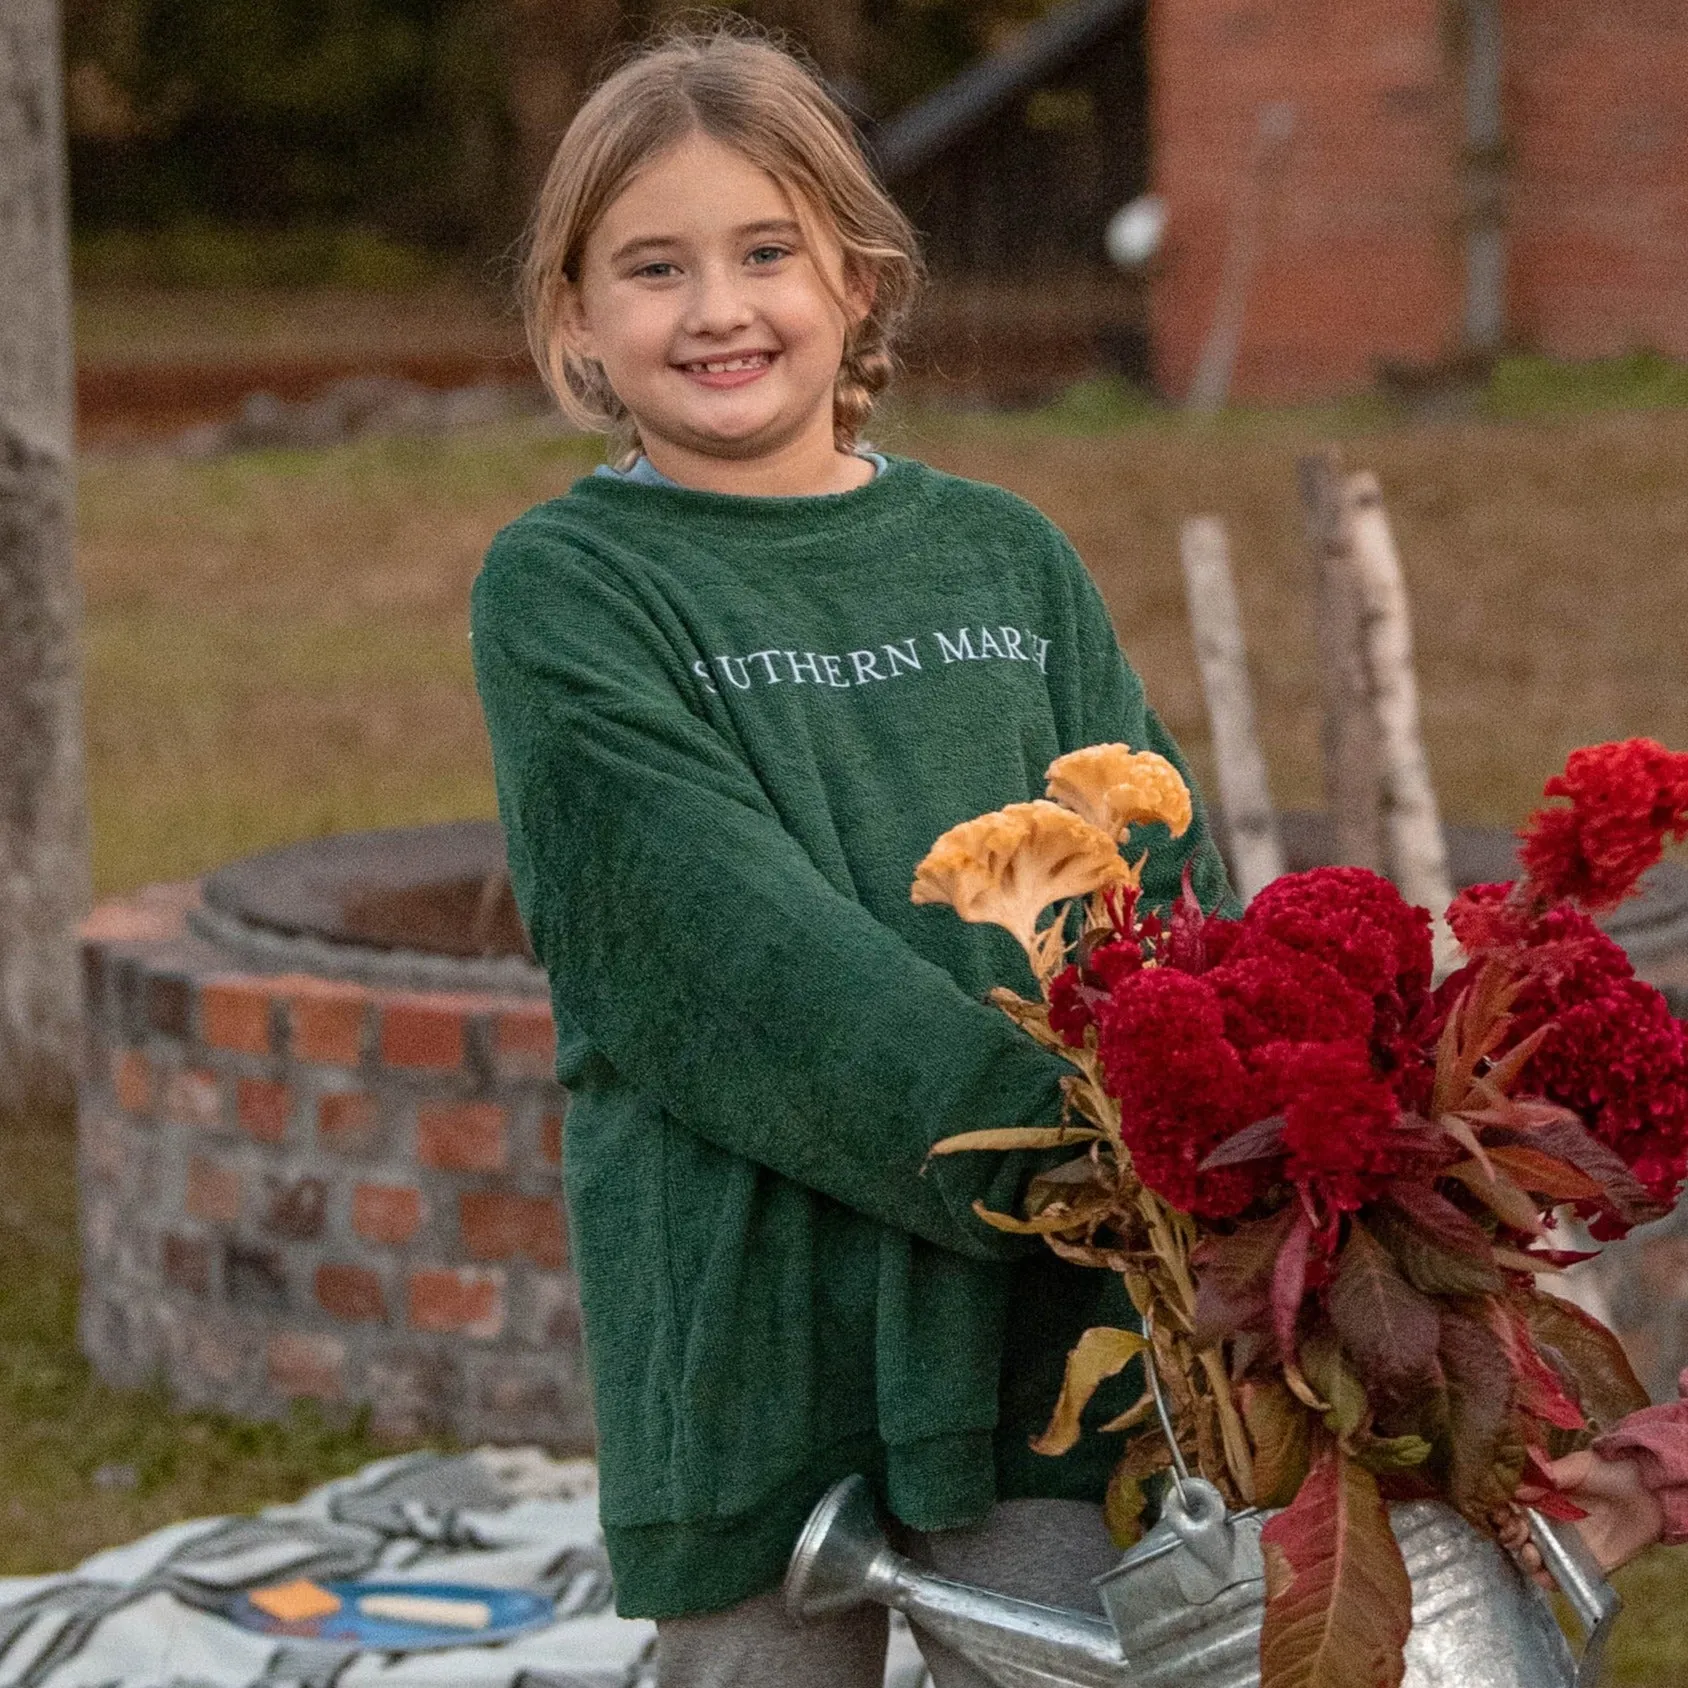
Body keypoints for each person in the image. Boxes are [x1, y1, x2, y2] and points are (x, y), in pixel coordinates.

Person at [469, 22, 1678, 1687]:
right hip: (754, 1292)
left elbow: (1166, 903)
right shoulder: (570, 588)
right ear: (577, 322)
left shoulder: (1002, 558)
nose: (717, 309)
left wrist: (1242, 1127)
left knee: (1066, 1645)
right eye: (652, 268)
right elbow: (713, 952)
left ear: (860, 278)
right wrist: (1093, 1156)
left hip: (1042, 1326)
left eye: (766, 253)